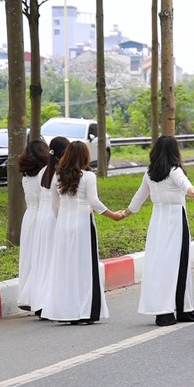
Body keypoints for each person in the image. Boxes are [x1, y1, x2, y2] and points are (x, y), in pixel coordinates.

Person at [122, 135, 194, 327]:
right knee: (179, 263)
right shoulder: (174, 170)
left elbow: (138, 198)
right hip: (175, 220)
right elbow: (186, 185)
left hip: (157, 221)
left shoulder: (149, 173)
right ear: (175, 151)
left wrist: (125, 213)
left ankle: (163, 310)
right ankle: (181, 309)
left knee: (160, 265)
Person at [41, 142, 123, 324]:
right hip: (83, 224)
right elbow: (93, 201)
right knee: (86, 267)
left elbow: (54, 206)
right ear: (85, 156)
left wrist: (62, 219)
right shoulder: (88, 177)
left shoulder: (57, 176)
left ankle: (67, 310)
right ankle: (85, 311)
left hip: (63, 225)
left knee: (66, 267)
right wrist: (113, 215)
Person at [29, 136, 70, 315]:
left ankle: (39, 301)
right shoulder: (61, 172)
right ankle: (50, 301)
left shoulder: (43, 172)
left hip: (41, 218)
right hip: (54, 217)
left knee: (42, 260)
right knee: (54, 260)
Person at [16, 140, 50, 311]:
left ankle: (28, 295)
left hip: (29, 217)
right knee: (42, 257)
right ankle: (39, 297)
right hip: (43, 216)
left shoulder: (25, 176)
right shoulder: (45, 172)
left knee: (29, 257)